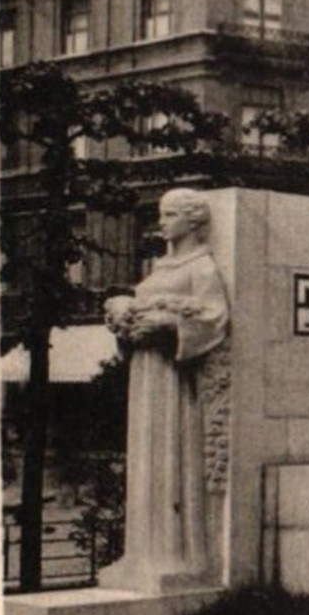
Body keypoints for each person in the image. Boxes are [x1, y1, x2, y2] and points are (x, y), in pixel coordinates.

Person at [100, 188, 229, 593]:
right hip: (146, 374)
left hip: (174, 379)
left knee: (170, 456)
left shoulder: (201, 267)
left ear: (193, 221)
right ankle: (140, 553)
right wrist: (124, 319)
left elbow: (213, 319)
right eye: (161, 214)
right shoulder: (160, 268)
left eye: (170, 214)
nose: (162, 222)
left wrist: (169, 326)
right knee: (144, 457)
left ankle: (175, 554)